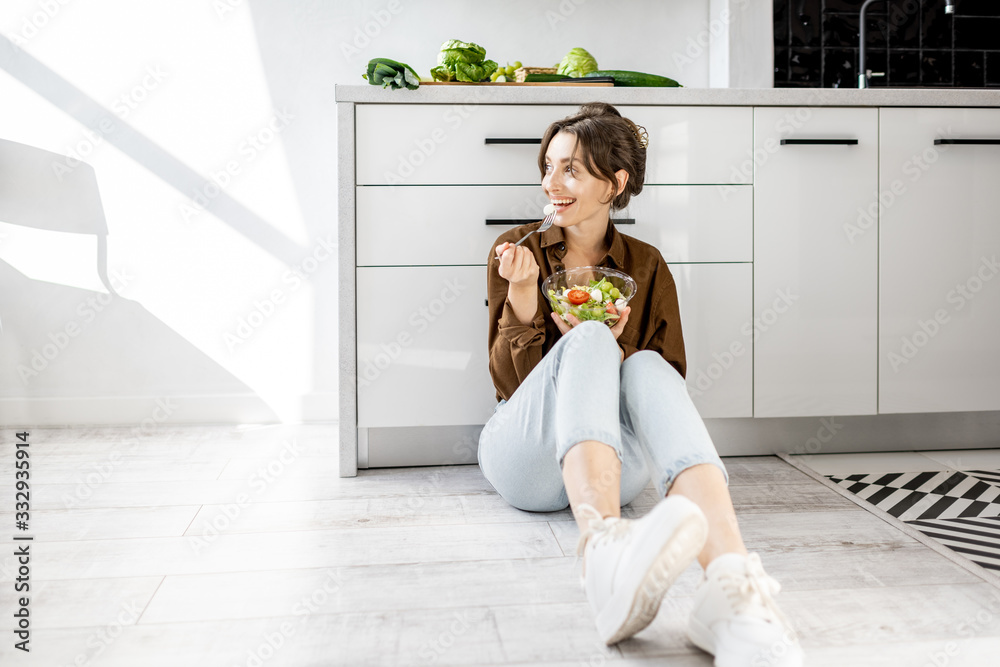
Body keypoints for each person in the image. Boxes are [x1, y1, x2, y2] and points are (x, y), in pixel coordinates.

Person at [478, 102, 804, 666]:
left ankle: (731, 588)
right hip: (523, 459)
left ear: (616, 183)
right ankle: (603, 549)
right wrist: (526, 300)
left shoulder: (647, 266)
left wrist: (619, 346)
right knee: (591, 342)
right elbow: (511, 387)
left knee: (648, 363)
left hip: (615, 469)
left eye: (571, 170)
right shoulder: (518, 252)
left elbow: (661, 390)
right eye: (548, 167)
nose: (550, 183)